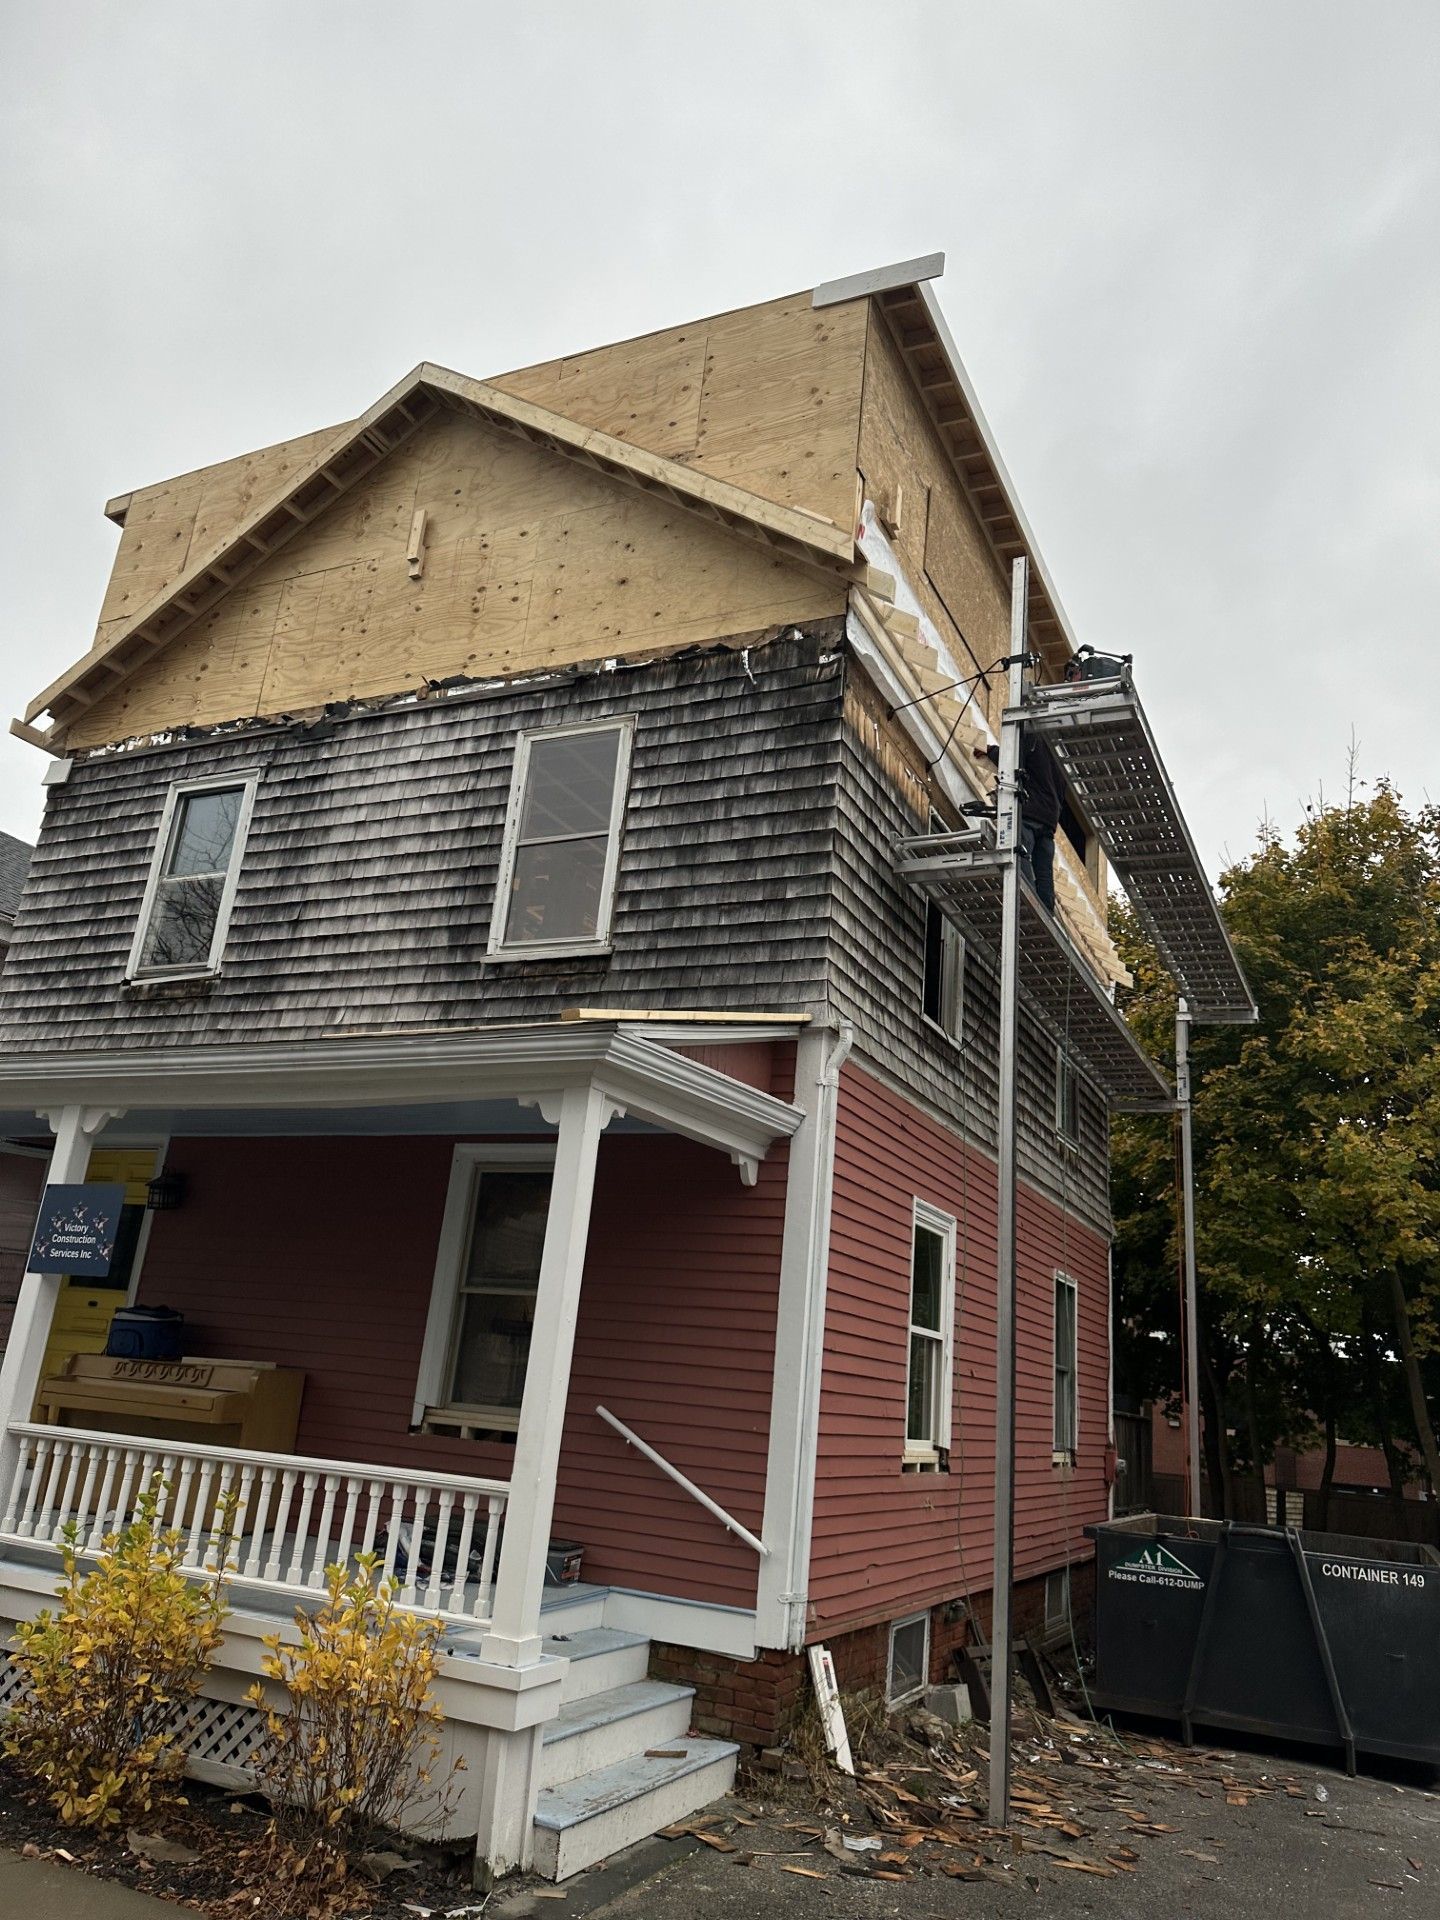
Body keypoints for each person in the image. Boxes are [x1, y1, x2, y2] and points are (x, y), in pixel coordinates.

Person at [982, 735, 1063, 912]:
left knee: (1021, 858)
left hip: (1030, 813)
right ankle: (1047, 911)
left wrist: (990, 750)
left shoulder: (1032, 737)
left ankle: (1028, 905)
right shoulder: (1058, 754)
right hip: (1049, 819)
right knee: (1044, 872)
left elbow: (1011, 761)